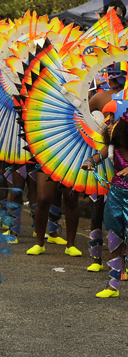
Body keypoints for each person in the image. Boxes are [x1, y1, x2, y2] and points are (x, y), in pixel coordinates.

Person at [84, 108, 128, 297]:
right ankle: (113, 286)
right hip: (116, 197)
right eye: (109, 123)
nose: (108, 126)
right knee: (114, 240)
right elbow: (96, 157)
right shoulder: (112, 148)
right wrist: (90, 162)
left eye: (113, 123)